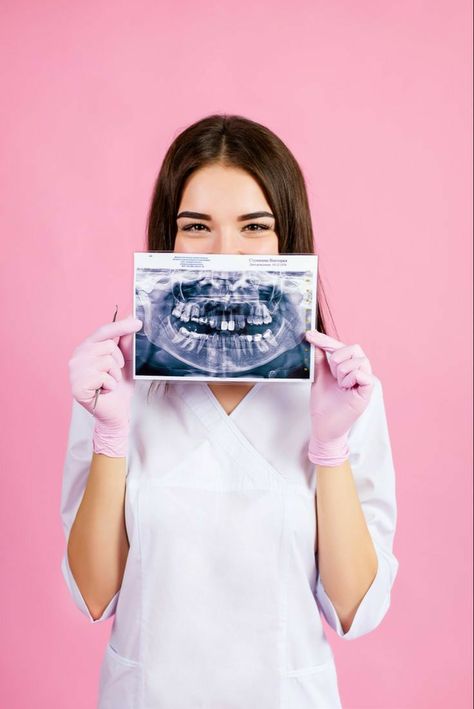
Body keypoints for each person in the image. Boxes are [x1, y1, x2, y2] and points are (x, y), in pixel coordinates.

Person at [60, 114, 399, 709]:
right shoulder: (113, 389)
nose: (227, 255)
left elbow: (354, 609)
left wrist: (329, 448)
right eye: (197, 226)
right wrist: (111, 434)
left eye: (254, 227)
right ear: (168, 236)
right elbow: (92, 594)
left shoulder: (341, 394)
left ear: (286, 237)